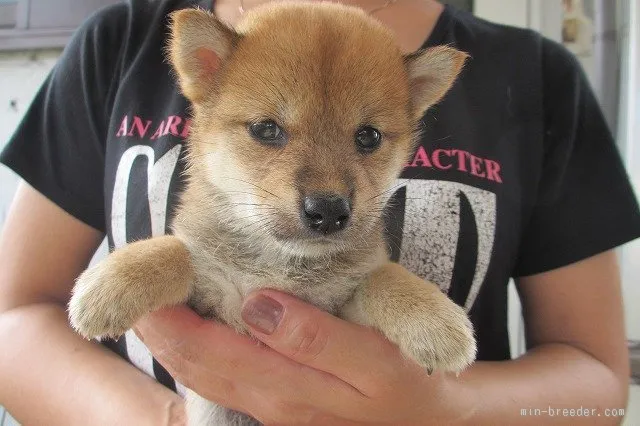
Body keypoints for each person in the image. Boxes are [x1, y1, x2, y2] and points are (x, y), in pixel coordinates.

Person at [0, 0, 638, 424]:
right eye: (271, 132)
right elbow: (14, 318)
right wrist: (177, 417)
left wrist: (449, 409)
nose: (327, 191)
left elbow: (600, 390)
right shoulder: (119, 45)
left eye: (368, 141)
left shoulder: (539, 78)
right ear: (205, 69)